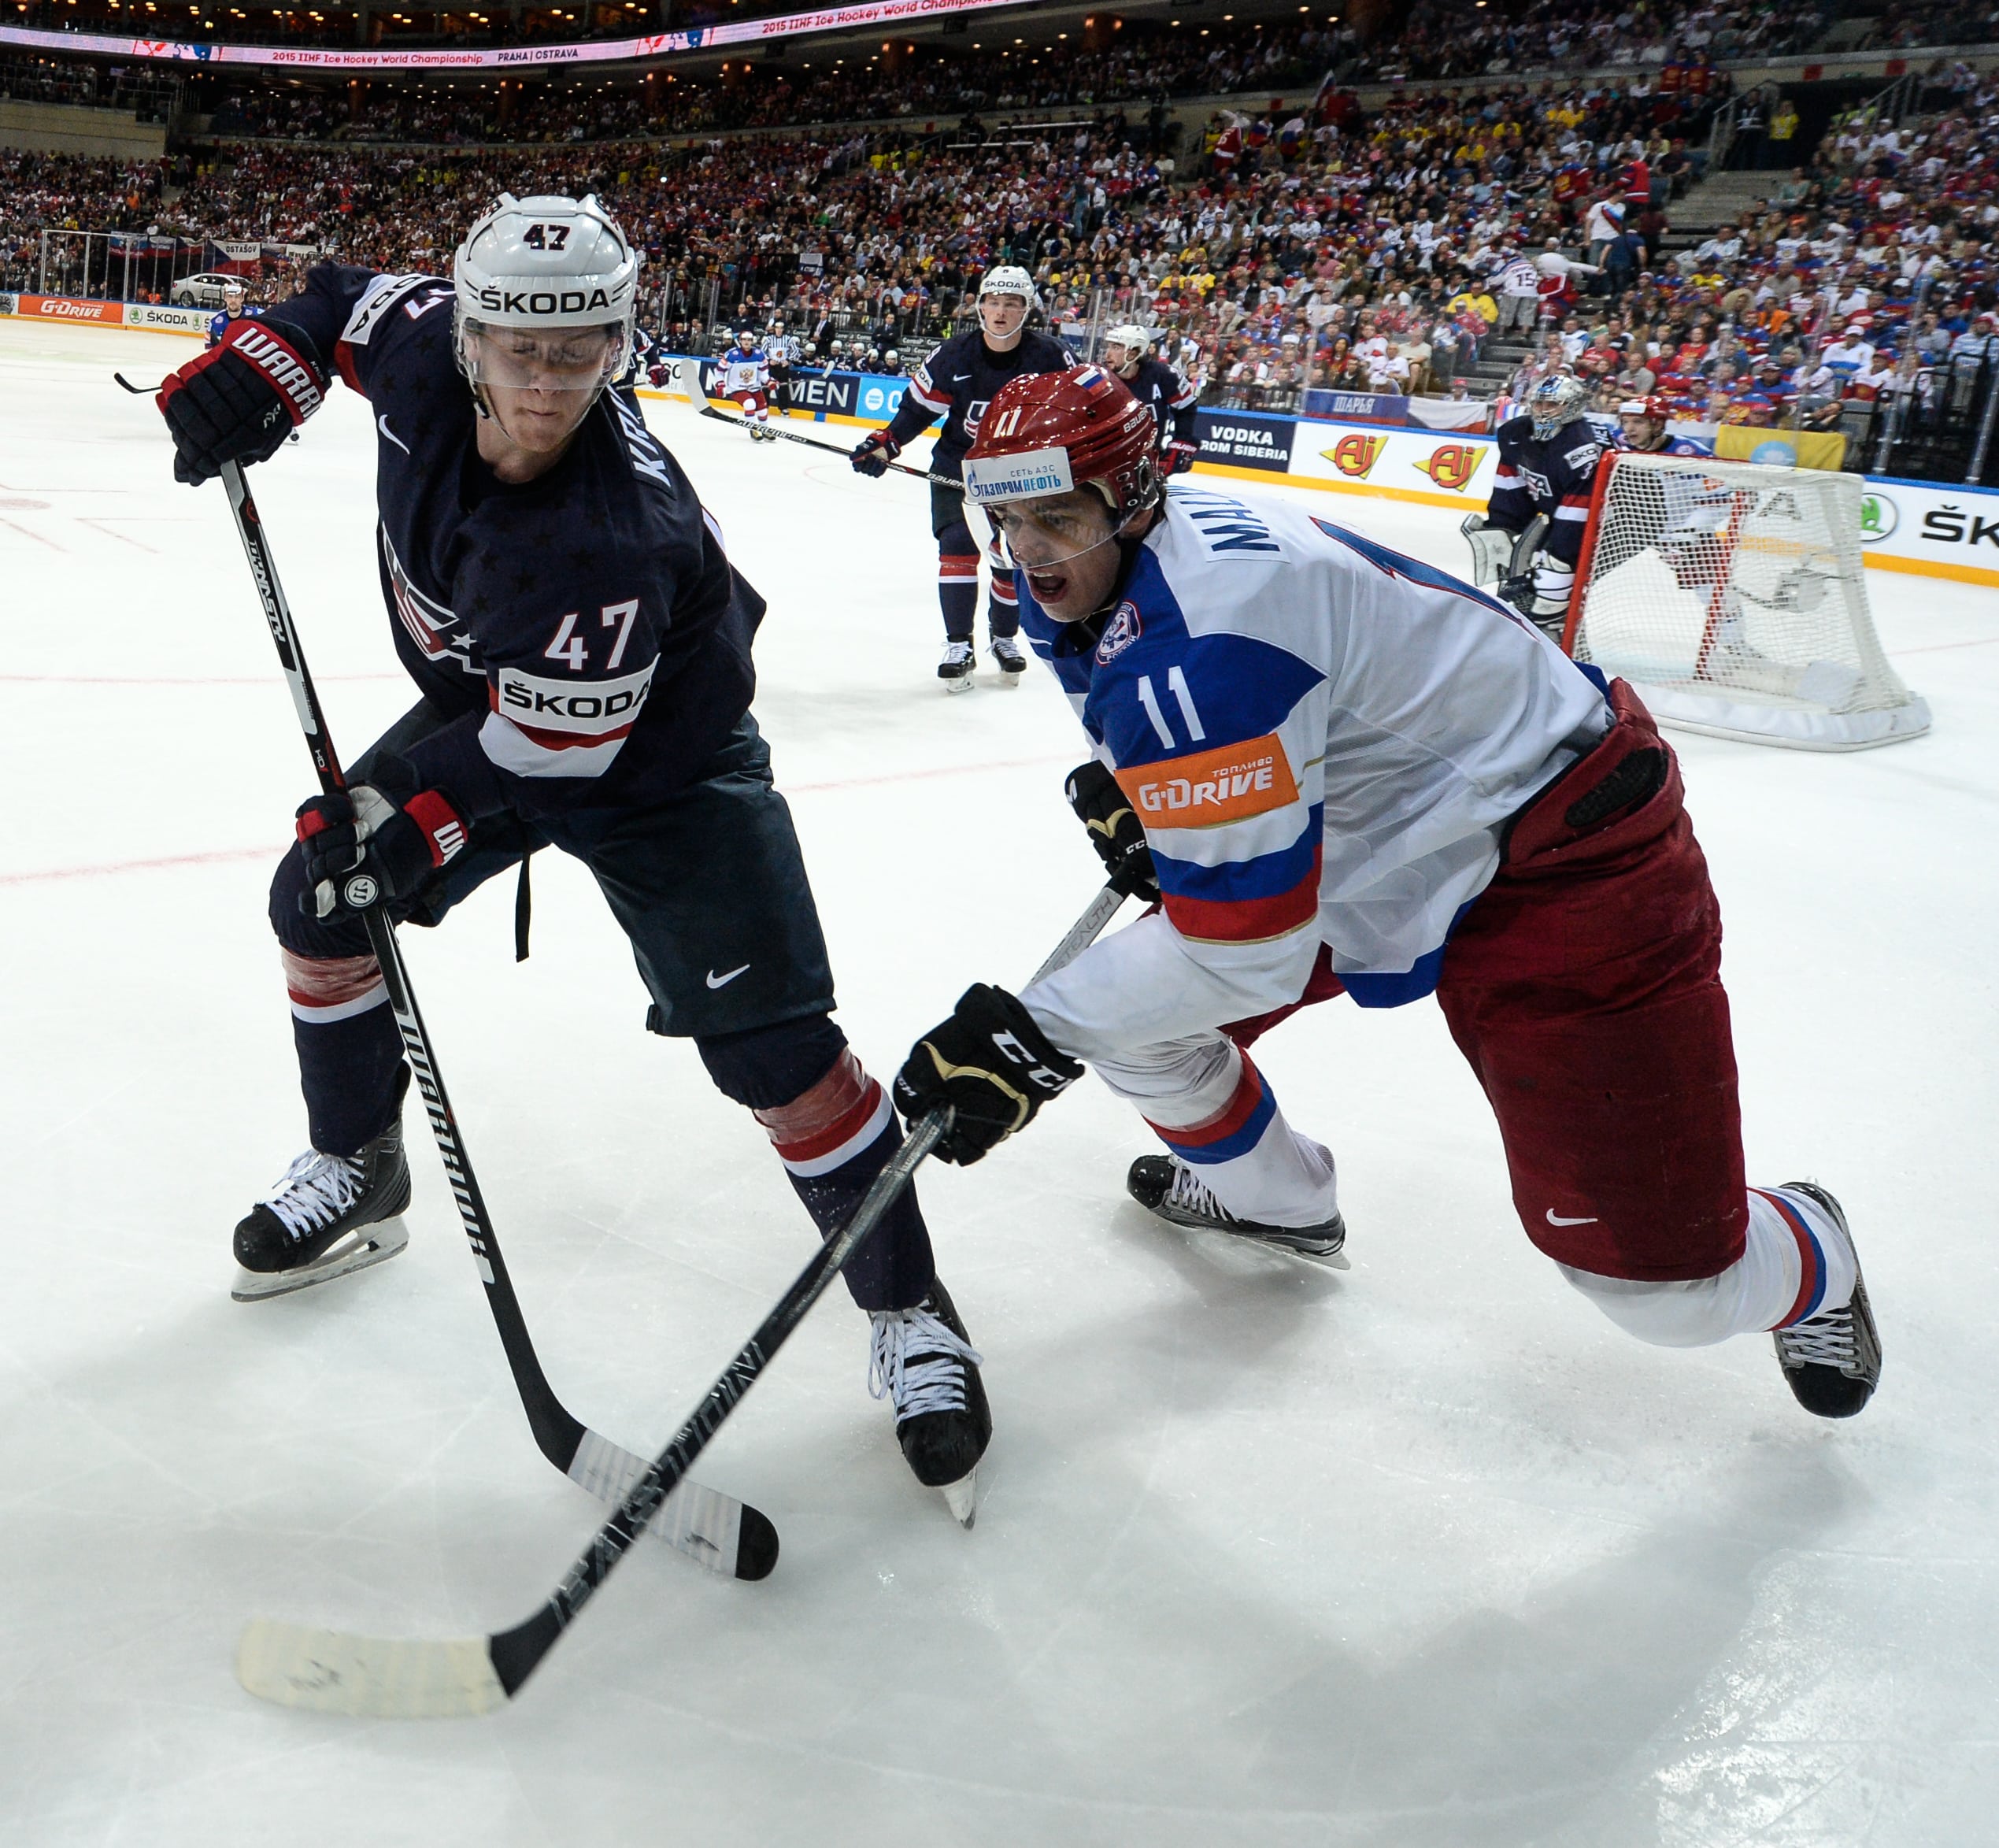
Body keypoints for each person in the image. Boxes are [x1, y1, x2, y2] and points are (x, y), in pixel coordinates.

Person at [150, 192, 990, 1515]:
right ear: (471, 332)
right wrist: (270, 355)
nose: (547, 381)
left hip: (664, 763)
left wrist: (413, 820)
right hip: (505, 703)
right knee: (318, 903)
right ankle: (358, 1162)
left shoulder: (603, 533)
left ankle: (911, 1310)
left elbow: (550, 763)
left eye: (580, 349)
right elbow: (337, 296)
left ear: (620, 343)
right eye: (523, 348)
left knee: (777, 1054)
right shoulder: (426, 340)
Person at [890, 365, 1881, 1425]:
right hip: (1376, 825)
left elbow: (1243, 952)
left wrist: (1031, 1035)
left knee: (1664, 1294)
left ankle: (1805, 1247)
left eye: (1055, 515)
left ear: (1133, 492)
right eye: (1004, 516)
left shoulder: (1206, 640)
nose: (1028, 548)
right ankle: (1280, 1204)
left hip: (1556, 855)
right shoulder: (1105, 571)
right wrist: (1152, 795)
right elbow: (1196, 716)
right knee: (1137, 1026)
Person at [848, 265, 1072, 691]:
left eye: (1012, 303)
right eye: (993, 302)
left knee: (1010, 558)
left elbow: (1078, 412)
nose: (1001, 312)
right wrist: (885, 444)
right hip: (959, 468)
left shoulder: (1051, 356)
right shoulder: (955, 354)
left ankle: (1004, 638)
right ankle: (958, 644)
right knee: (957, 548)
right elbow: (915, 412)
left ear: (1027, 310)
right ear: (981, 305)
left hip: (1020, 476)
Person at [1460, 372, 1605, 639]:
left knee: (1557, 577)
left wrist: (1557, 554)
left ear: (1572, 407)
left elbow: (1577, 517)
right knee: (1531, 579)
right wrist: (1502, 526)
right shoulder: (1516, 434)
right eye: (1539, 404)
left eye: (1552, 404)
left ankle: (1560, 637)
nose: (1543, 411)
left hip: (1611, 525)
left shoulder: (1583, 446)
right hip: (1561, 514)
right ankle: (1549, 628)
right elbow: (1510, 487)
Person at [1101, 322, 1200, 476]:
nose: (1107, 354)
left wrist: (1182, 442)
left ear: (1133, 353)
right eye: (1109, 346)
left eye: (1116, 347)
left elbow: (1186, 408)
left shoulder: (1163, 376)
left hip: (1146, 464)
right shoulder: (1099, 378)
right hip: (1104, 464)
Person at [716, 327, 776, 441]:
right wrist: (720, 384)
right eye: (744, 339)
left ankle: (765, 430)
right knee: (750, 404)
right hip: (737, 389)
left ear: (752, 341)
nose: (746, 342)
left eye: (749, 340)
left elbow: (763, 374)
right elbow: (719, 371)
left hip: (754, 387)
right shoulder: (732, 355)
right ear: (740, 340)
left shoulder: (759, 354)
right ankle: (754, 430)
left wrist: (770, 381)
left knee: (763, 410)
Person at [1616, 392, 1714, 457]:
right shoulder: (1615, 441)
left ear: (1658, 425)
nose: (1629, 429)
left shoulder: (1692, 453)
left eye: (1638, 422)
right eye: (1625, 422)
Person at [205, 277, 261, 349]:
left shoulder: (257, 315)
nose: (233, 300)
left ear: (242, 299)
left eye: (237, 297)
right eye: (230, 296)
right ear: (225, 298)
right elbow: (209, 347)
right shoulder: (214, 323)